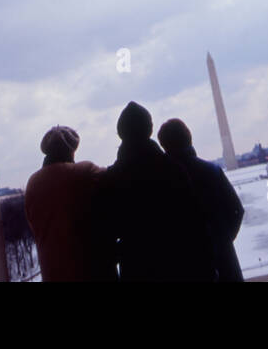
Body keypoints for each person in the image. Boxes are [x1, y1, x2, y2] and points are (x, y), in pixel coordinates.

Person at [97, 102, 217, 281]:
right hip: (181, 265)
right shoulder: (173, 169)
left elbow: (105, 238)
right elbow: (196, 222)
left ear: (120, 133)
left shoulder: (111, 179)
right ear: (150, 129)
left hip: (137, 268)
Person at [157, 118, 245, 281]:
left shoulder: (160, 181)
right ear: (189, 138)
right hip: (223, 264)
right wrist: (222, 241)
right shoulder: (212, 171)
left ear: (164, 145)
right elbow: (237, 210)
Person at [24, 125, 114, 281]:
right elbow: (115, 178)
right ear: (72, 150)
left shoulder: (33, 182)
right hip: (90, 271)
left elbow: (33, 224)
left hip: (53, 272)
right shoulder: (85, 172)